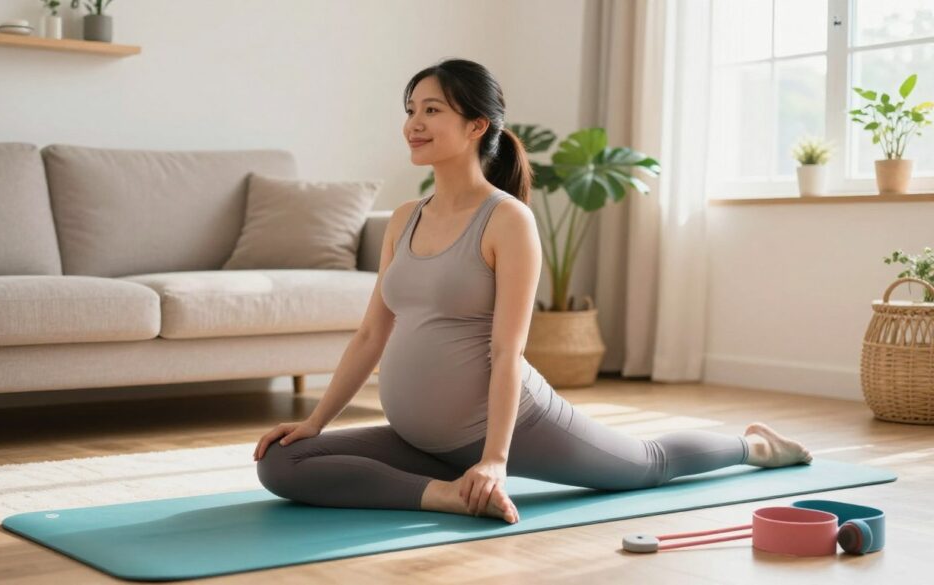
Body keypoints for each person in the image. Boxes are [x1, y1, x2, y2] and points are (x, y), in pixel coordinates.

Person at [253, 58, 812, 524]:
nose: (413, 123)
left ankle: (753, 445)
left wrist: (496, 460)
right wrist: (314, 423)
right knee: (282, 463)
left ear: (476, 126)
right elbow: (373, 332)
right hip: (419, 439)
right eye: (410, 110)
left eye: (431, 110)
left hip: (514, 426)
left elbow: (507, 351)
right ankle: (447, 494)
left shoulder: (507, 221)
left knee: (646, 464)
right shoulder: (405, 218)